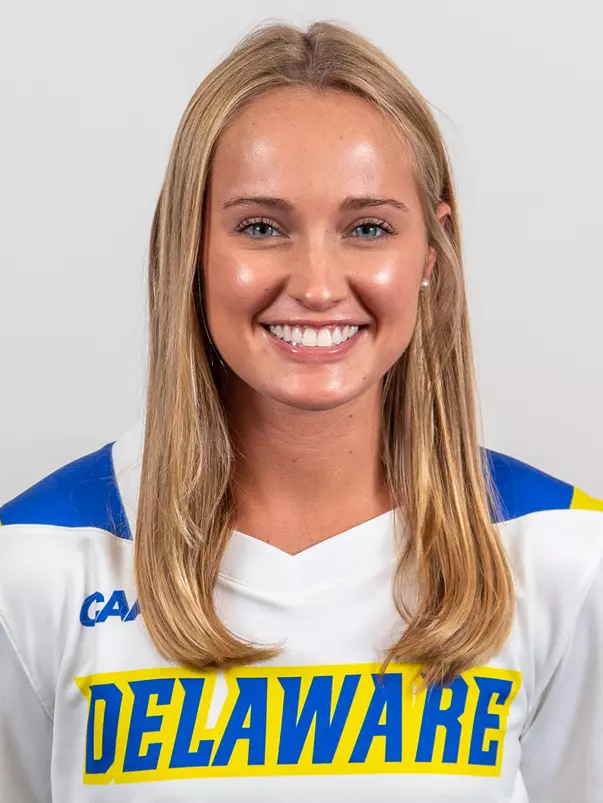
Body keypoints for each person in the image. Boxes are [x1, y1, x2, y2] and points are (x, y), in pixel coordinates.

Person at [0, 19, 602, 803]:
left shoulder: (560, 552)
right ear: (189, 247)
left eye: (367, 228)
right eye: (260, 226)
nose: (317, 284)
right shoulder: (34, 561)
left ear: (429, 250)